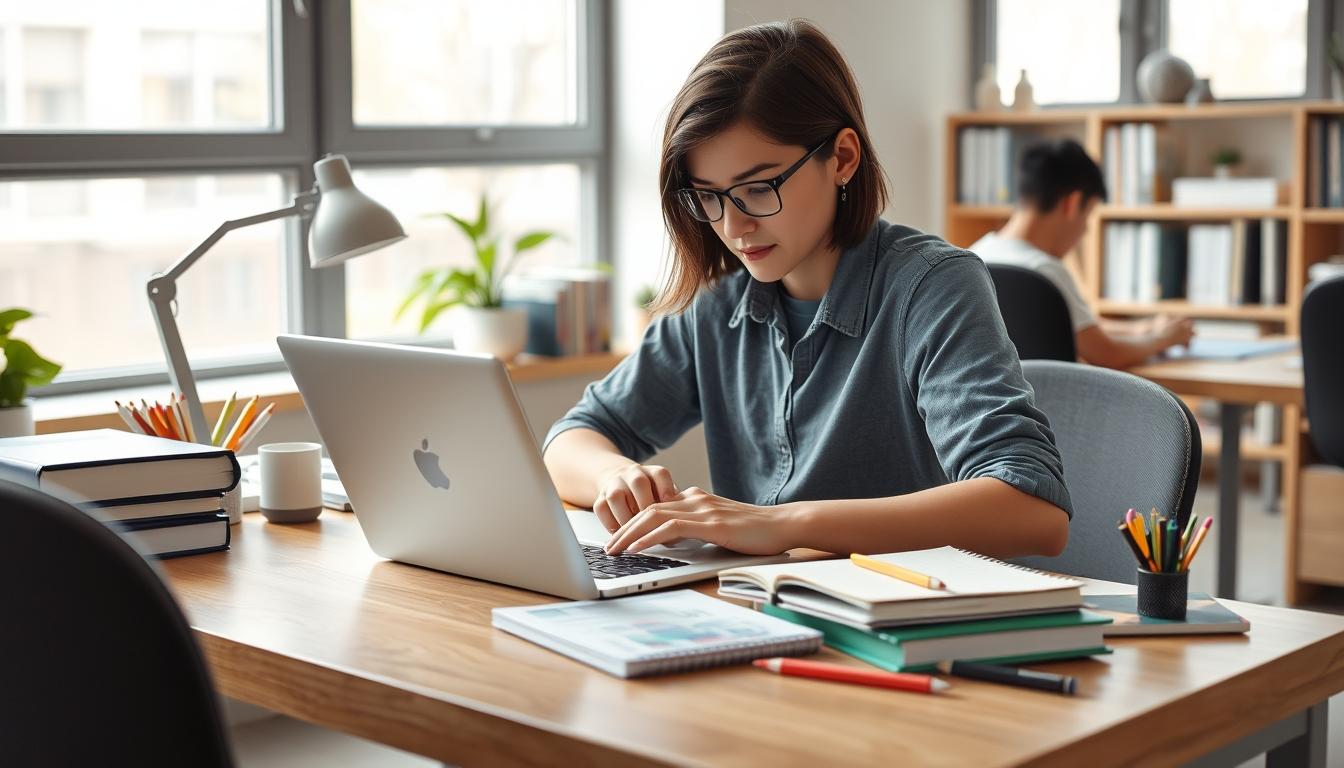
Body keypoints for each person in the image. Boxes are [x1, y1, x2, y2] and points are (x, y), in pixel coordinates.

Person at [542, 20, 1071, 561]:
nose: (733, 226)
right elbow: (572, 438)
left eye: (757, 188)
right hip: (761, 610)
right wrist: (616, 475)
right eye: (709, 196)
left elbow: (1032, 509)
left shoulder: (932, 286)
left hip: (902, 621)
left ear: (842, 158)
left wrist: (789, 524)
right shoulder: (719, 301)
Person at [971, 139, 1194, 369]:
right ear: (1072, 203)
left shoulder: (973, 257)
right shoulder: (1043, 270)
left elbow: (1077, 327)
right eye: (1087, 216)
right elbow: (1108, 354)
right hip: (1049, 403)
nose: (1085, 230)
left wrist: (1142, 328)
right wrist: (1162, 340)